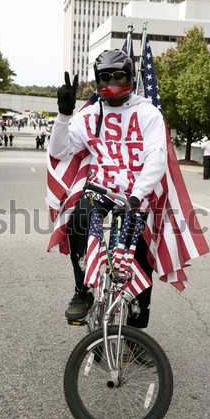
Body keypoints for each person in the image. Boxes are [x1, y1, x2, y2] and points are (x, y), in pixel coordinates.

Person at [49, 49, 167, 329]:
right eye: (105, 77)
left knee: (140, 256)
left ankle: (138, 328)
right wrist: (64, 115)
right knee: (78, 217)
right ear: (96, 80)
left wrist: (138, 195)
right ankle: (83, 291)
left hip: (136, 193)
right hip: (101, 189)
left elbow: (157, 155)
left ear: (130, 78)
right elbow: (60, 150)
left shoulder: (148, 113)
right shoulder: (89, 115)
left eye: (118, 75)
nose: (111, 82)